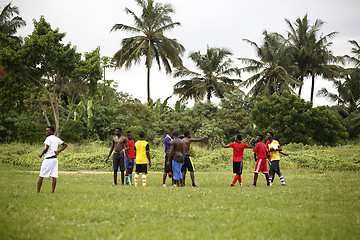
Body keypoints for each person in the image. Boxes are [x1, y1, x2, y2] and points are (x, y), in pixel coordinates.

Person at [37, 126, 68, 193]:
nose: (46, 132)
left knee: (41, 175)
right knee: (54, 176)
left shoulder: (48, 138)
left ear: (52, 132)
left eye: (48, 131)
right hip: (54, 159)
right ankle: (52, 192)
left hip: (48, 159)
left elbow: (46, 148)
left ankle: (38, 191)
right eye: (46, 131)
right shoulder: (57, 139)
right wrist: (58, 152)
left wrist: (41, 154)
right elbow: (65, 145)